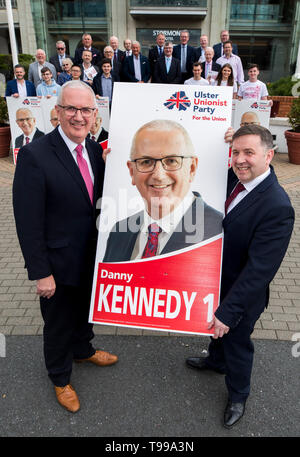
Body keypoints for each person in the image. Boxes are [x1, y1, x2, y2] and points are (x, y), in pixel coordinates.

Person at [13, 80, 118, 413]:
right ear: (57, 111)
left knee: (85, 312)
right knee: (58, 323)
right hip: (57, 265)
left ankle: (83, 350)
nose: (78, 116)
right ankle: (60, 377)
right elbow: (27, 222)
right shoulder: (34, 155)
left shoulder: (93, 151)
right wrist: (41, 273)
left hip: (90, 258)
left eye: (86, 109)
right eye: (71, 108)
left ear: (94, 114)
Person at [186, 124, 294, 429]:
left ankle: (238, 395)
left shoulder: (277, 206)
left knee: (236, 342)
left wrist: (228, 311)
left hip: (242, 295)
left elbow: (260, 270)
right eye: (236, 152)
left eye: (249, 152)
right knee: (217, 334)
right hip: (215, 282)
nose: (240, 159)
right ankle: (215, 361)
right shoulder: (235, 178)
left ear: (269, 155)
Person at [103, 120, 222, 262]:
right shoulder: (119, 232)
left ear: (191, 168)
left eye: (172, 161)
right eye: (146, 162)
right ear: (131, 171)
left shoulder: (220, 230)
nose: (158, 175)